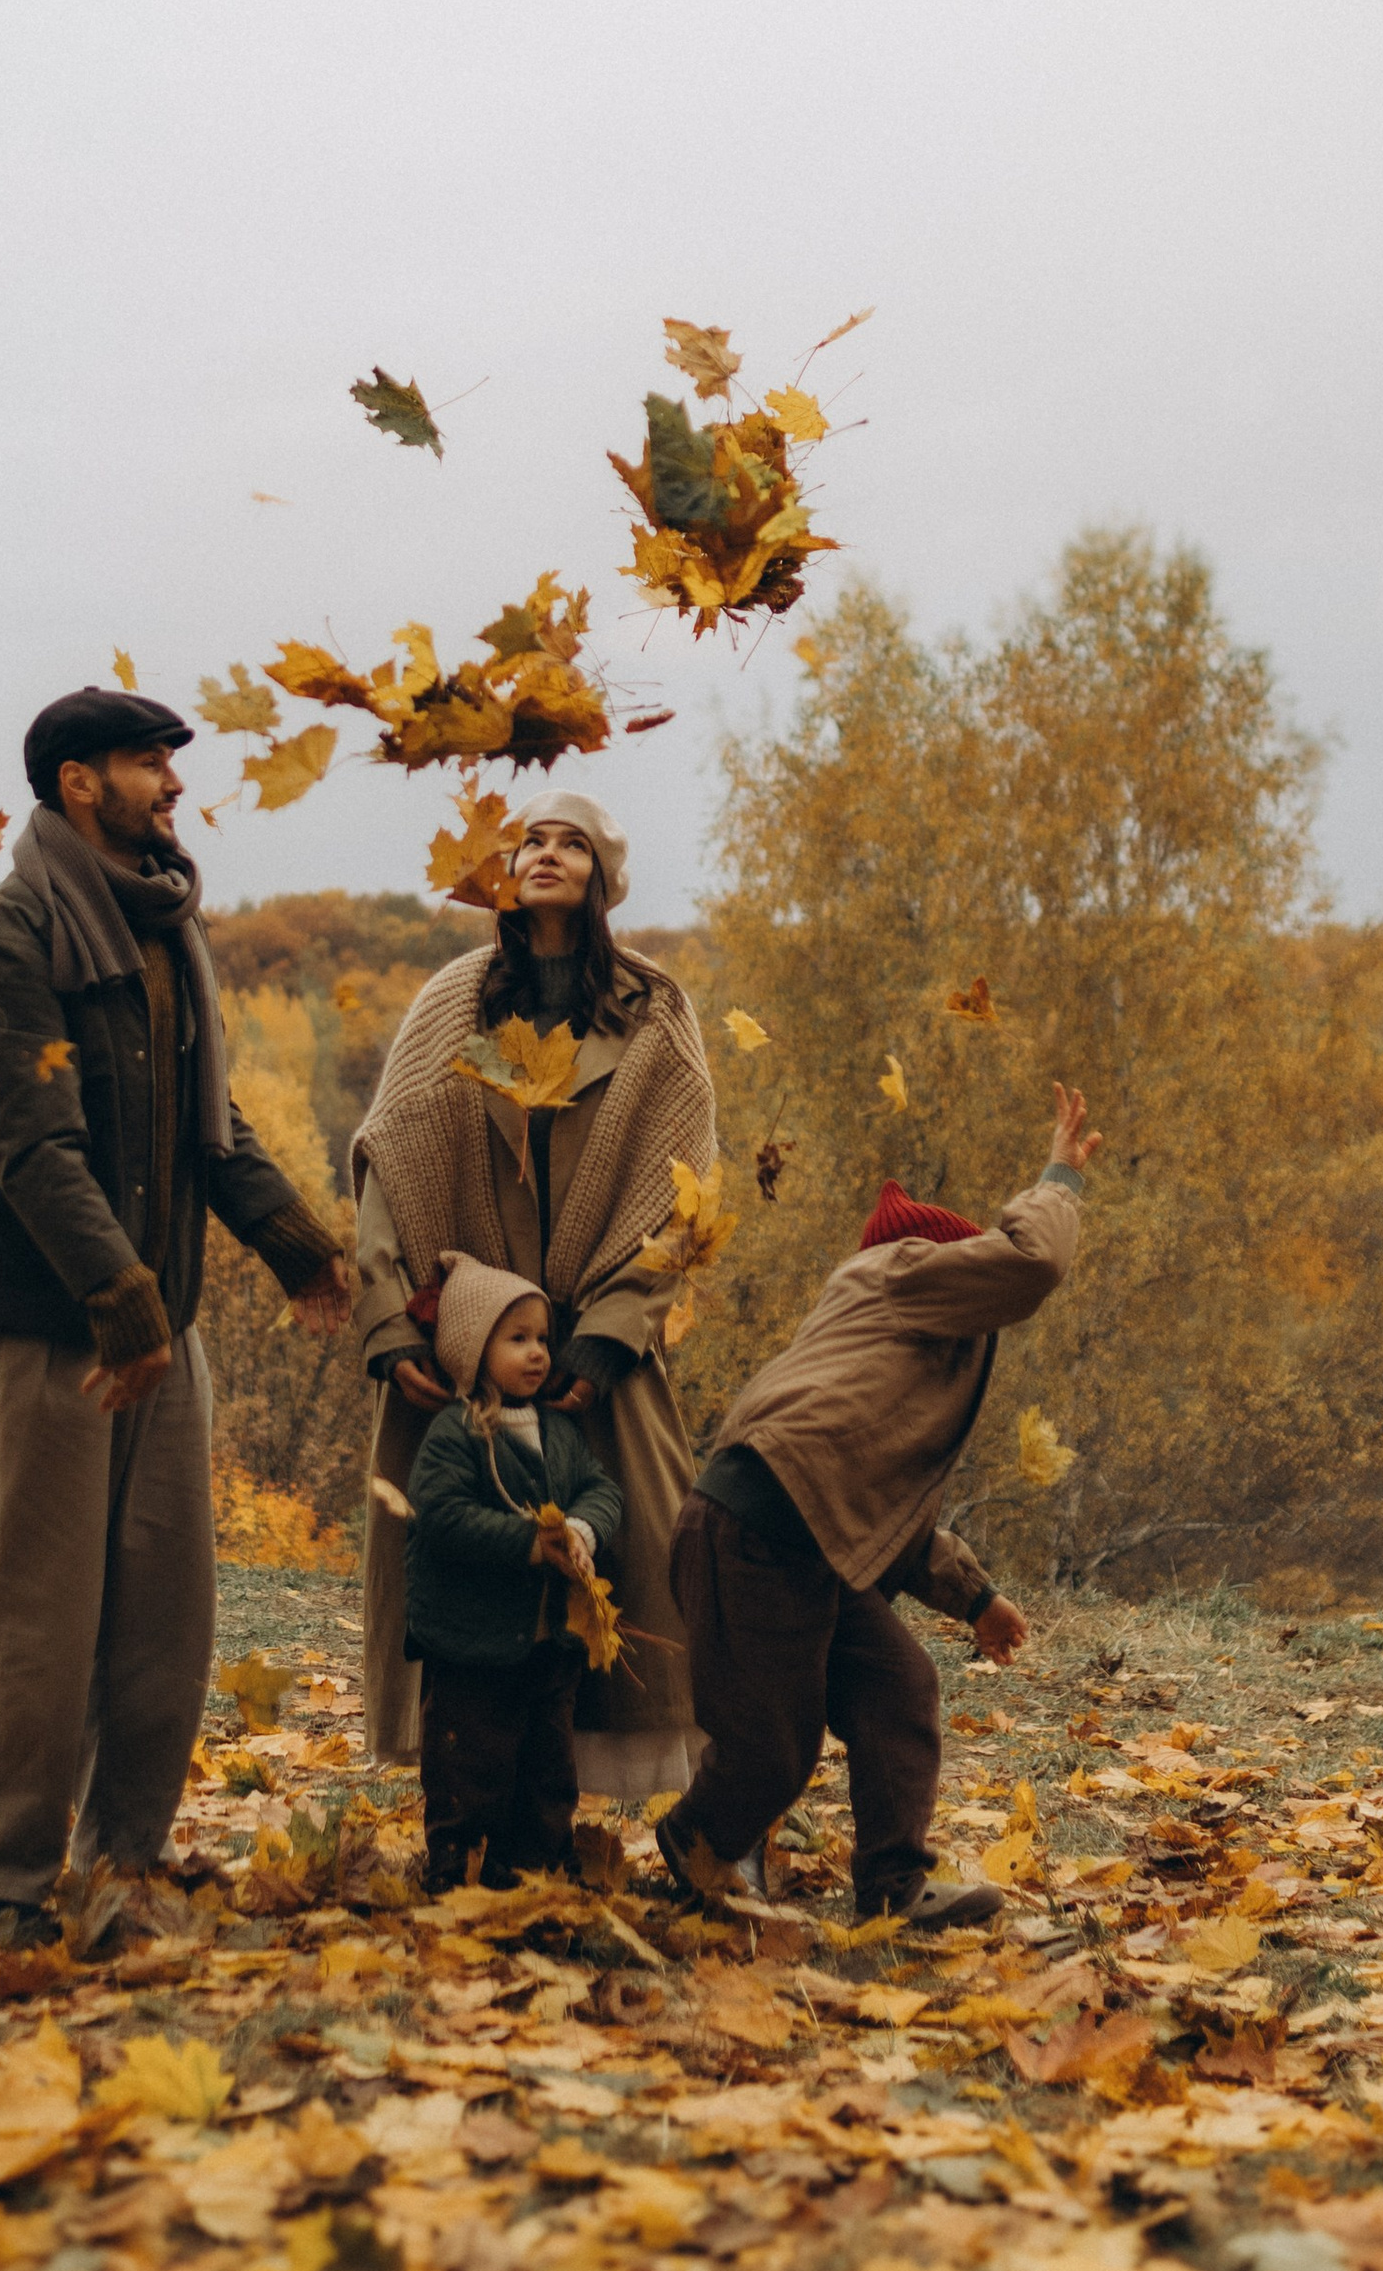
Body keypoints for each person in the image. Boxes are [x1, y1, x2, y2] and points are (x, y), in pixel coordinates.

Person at [0, 685, 352, 1933]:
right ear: (78, 784)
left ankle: (122, 1867)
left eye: (170, 761)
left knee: (165, 1617)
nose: (172, 784)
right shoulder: (3, 950)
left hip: (157, 1330)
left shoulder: (161, 929)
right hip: (44, 1331)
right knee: (37, 1622)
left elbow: (208, 1121)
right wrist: (122, 1304)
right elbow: (35, 1151)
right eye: (148, 762)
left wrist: (291, 1242)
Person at [656, 1082, 1102, 1931]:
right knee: (773, 1750)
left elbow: (864, 1504)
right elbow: (1035, 1261)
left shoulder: (871, 1349)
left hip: (805, 1538)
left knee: (899, 1688)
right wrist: (1059, 1178)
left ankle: (893, 1887)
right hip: (755, 1534)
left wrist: (974, 1595)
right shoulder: (897, 1271)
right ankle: (697, 1844)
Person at [355, 792, 712, 1802]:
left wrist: (612, 1333)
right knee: (462, 1566)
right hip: (464, 1333)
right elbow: (391, 1159)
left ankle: (601, 1803)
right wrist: (390, 1326)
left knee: (637, 1557)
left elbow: (685, 1188)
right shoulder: (452, 1001)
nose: (547, 855)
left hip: (598, 1342)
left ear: (604, 874)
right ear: (503, 873)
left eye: (571, 843)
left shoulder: (653, 1009)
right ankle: (473, 1810)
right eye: (529, 843)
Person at [401, 1254, 625, 1890]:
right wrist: (527, 1543)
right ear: (473, 1350)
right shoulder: (456, 1433)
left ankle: (536, 1866)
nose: (537, 1354)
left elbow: (601, 1489)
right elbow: (442, 1516)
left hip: (550, 1643)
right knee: (469, 1760)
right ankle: (458, 1867)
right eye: (517, 1338)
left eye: (543, 1339)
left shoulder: (560, 1432)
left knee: (549, 1764)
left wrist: (581, 1529)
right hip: (471, 1640)